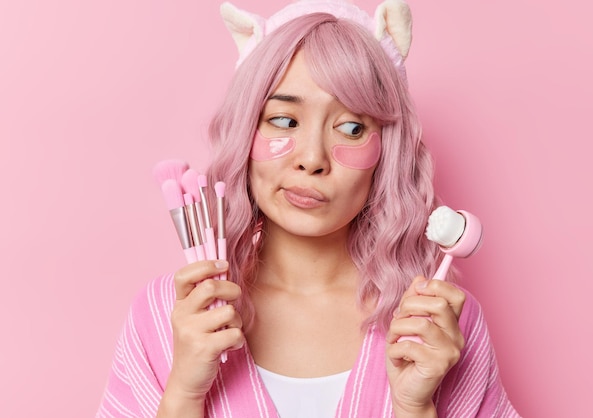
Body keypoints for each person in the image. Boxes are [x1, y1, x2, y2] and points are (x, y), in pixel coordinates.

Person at [96, 1, 520, 417]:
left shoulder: (437, 324)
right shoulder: (168, 314)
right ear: (247, 130)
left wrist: (415, 407)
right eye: (284, 121)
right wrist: (183, 395)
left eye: (352, 128)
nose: (312, 158)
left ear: (385, 154)